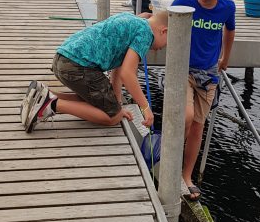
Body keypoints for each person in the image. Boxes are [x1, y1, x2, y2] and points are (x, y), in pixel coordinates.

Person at [21, 10, 169, 133]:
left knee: (99, 102)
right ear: (164, 31)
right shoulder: (146, 34)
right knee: (113, 118)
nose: (162, 48)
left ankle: (43, 95)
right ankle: (52, 104)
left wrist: (116, 101)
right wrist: (145, 107)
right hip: (79, 67)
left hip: (63, 60)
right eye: (166, 43)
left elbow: (118, 68)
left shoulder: (132, 20)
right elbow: (127, 73)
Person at [171, 0, 236, 200]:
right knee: (186, 116)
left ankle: (185, 176)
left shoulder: (227, 7)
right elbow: (162, 19)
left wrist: (225, 58)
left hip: (208, 74)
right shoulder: (183, 2)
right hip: (182, 70)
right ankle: (168, 163)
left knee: (198, 125)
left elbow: (230, 31)